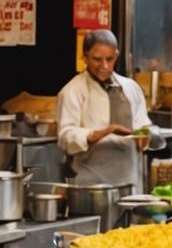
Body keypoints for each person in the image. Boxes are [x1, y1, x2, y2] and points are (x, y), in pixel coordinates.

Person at [56, 29, 153, 194]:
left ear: (116, 55)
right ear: (85, 57)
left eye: (110, 59)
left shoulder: (131, 88)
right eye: (97, 59)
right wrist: (99, 133)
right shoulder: (73, 90)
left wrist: (144, 137)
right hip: (91, 183)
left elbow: (142, 123)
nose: (104, 66)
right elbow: (65, 136)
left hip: (129, 179)